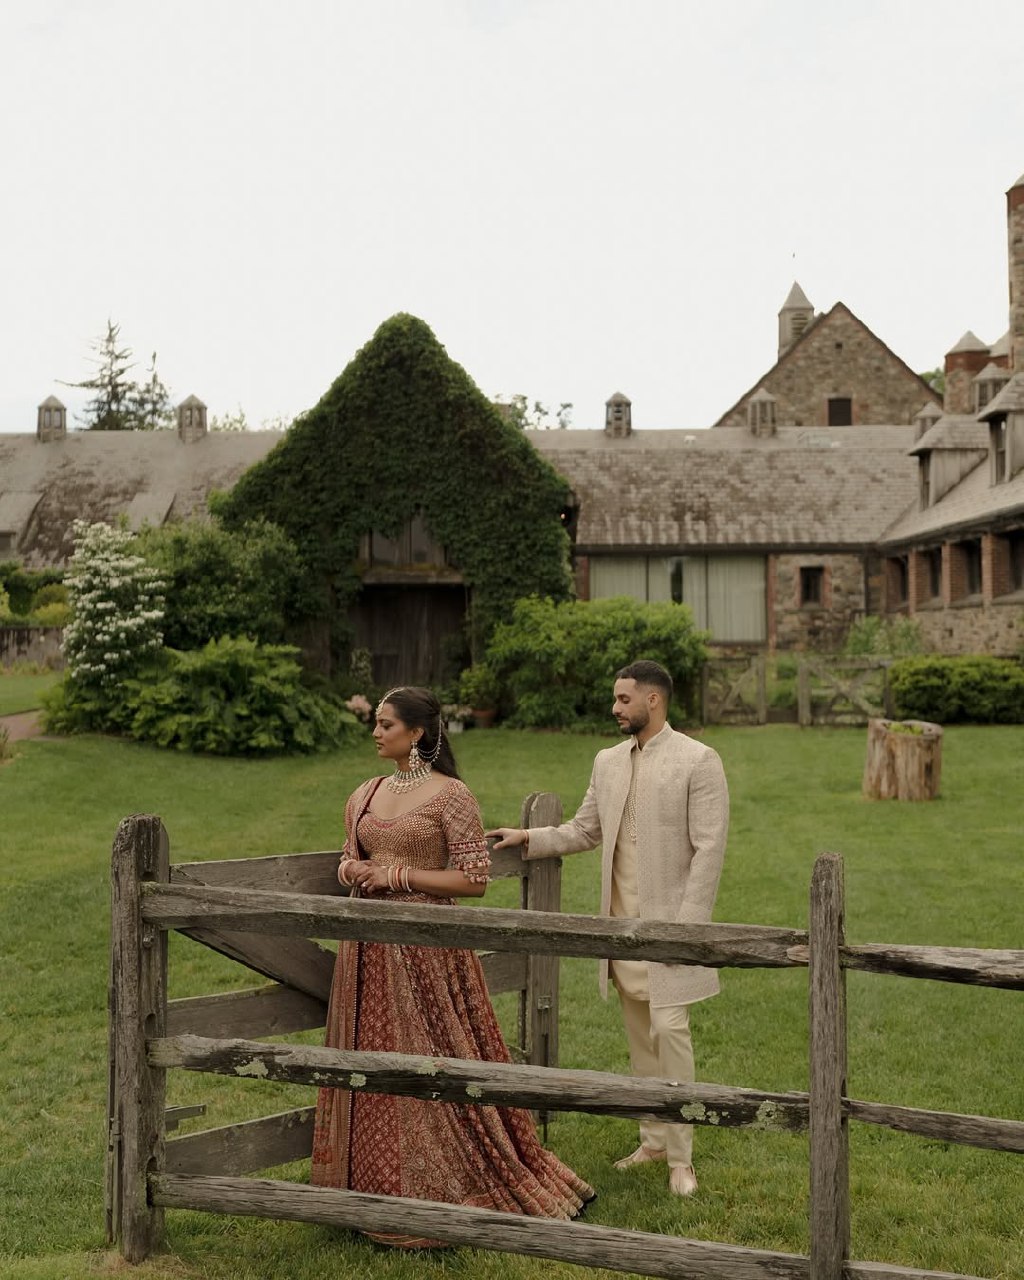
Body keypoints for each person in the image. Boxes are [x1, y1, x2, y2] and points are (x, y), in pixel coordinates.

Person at [311, 685, 594, 1247]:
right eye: (376, 723)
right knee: (369, 1062)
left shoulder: (451, 795)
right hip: (367, 949)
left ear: (416, 733)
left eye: (386, 725)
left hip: (427, 950)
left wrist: (396, 876)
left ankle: (439, 1190)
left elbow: (474, 879)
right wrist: (353, 872)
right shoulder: (366, 792)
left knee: (431, 1059)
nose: (376, 732)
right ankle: (363, 1192)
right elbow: (349, 856)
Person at [487, 660, 728, 1198]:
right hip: (621, 931)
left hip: (671, 931)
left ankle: (682, 1159)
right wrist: (530, 838)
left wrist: (686, 932)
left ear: (653, 700)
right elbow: (585, 829)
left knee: (670, 1032)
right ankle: (653, 1141)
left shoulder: (698, 760)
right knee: (641, 1042)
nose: (615, 708)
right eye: (616, 699)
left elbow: (709, 851)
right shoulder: (608, 761)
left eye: (624, 699)